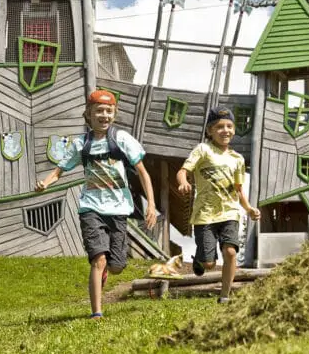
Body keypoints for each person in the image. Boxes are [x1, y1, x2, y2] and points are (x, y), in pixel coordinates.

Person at [36, 89, 156, 319]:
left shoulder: (121, 139)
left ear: (114, 114)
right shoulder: (82, 144)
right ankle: (96, 313)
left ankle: (106, 273)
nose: (104, 115)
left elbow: (142, 172)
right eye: (99, 111)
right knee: (98, 259)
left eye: (109, 111)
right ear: (88, 114)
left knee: (116, 266)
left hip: (119, 209)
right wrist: (46, 183)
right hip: (91, 208)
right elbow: (60, 170)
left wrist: (150, 204)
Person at [176, 107, 261, 304]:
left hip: (230, 212)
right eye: (220, 127)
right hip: (204, 214)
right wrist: (183, 181)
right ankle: (200, 258)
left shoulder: (237, 159)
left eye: (229, 126)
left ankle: (225, 296)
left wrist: (248, 209)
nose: (226, 130)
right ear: (209, 131)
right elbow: (183, 171)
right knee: (209, 263)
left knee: (230, 251)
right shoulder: (203, 150)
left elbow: (238, 189)